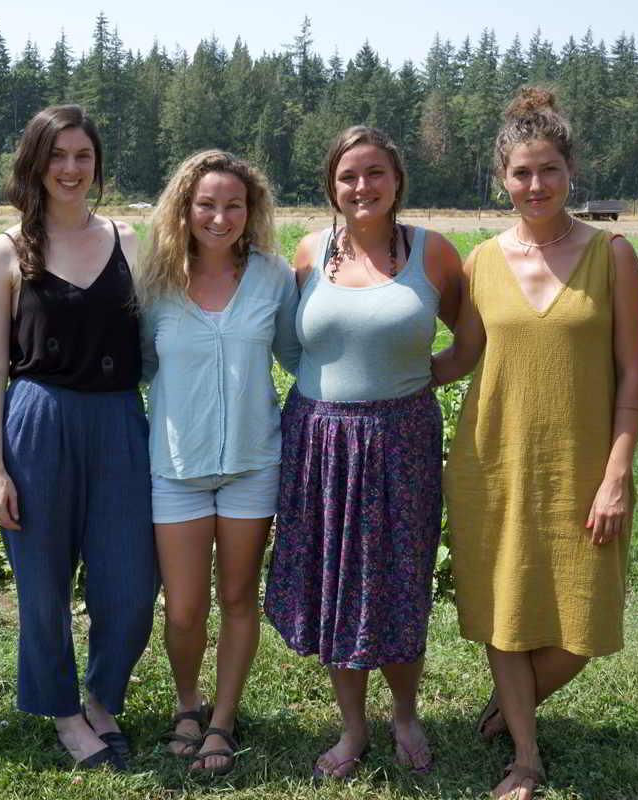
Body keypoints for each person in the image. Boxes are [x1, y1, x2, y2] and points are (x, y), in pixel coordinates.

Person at [432, 87, 638, 800]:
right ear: (502, 177)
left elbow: (631, 373)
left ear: (570, 170)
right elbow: (461, 356)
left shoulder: (612, 254)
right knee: (506, 608)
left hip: (583, 466)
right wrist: (377, 382)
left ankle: (512, 704)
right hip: (491, 462)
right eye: (521, 173)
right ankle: (525, 755)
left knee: (584, 623)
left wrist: (617, 473)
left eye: (548, 169)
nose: (535, 185)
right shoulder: (480, 262)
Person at [264, 126, 464, 778]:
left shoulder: (434, 254)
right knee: (336, 583)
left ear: (397, 180)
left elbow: (470, 338)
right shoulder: (308, 252)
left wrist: (419, 379)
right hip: (321, 440)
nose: (362, 187)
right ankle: (353, 729)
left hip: (402, 441)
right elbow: (291, 347)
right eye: (349, 176)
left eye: (375, 172)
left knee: (400, 582)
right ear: (332, 186)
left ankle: (405, 714)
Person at [0, 105, 157, 771]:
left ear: (97, 163)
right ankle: (63, 711)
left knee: (133, 582)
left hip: (117, 422)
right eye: (58, 156)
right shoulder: (6, 250)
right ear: (35, 164)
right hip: (38, 420)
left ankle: (104, 698)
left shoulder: (132, 243)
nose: (71, 169)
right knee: (41, 584)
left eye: (82, 155)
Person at [134, 150, 299, 776]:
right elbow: (139, 369)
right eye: (207, 204)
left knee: (236, 597)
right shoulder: (156, 284)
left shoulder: (273, 277)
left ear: (251, 210)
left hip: (254, 463)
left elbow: (294, 356)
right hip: (175, 466)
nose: (220, 216)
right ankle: (186, 704)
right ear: (185, 207)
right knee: (182, 608)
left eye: (234, 204)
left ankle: (222, 722)